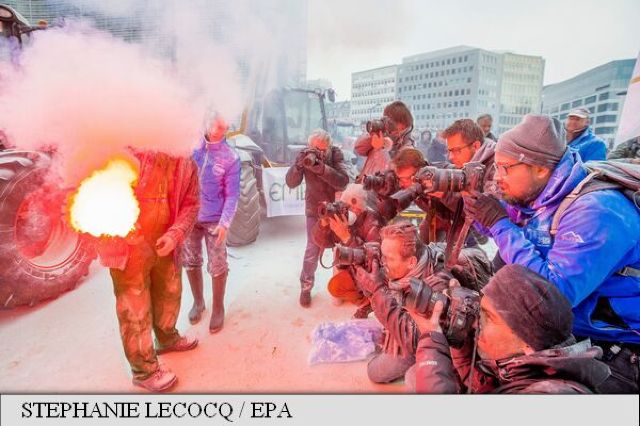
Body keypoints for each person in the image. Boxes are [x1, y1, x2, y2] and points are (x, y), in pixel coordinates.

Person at [463, 114, 640, 393]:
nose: (498, 178)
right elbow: (501, 224)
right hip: (574, 331)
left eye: (506, 168)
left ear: (541, 169)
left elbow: (551, 297)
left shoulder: (596, 212)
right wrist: (471, 209)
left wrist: (499, 224)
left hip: (619, 352)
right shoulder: (543, 197)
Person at [409, 265, 611, 393]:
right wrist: (458, 340)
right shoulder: (517, 366)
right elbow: (480, 389)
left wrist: (431, 349)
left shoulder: (551, 394)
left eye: (488, 317)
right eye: (480, 309)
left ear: (527, 343)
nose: (475, 322)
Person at [97, 149, 200, 392]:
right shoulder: (120, 147)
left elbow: (191, 203)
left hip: (166, 240)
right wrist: (132, 237)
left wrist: (175, 235)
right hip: (126, 246)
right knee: (135, 310)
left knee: (170, 292)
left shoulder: (185, 160)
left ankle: (166, 338)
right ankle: (144, 371)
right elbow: (102, 198)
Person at [353, 222, 492, 384]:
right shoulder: (407, 268)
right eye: (382, 256)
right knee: (377, 368)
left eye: (388, 258)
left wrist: (377, 290)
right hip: (414, 327)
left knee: (405, 377)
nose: (382, 262)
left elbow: (413, 338)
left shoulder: (438, 284)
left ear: (411, 262)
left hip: (443, 343)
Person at [182, 114, 240, 333]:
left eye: (224, 124)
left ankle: (218, 308)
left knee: (218, 264)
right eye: (217, 122)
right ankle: (198, 302)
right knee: (190, 259)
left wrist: (225, 223)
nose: (220, 128)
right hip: (189, 216)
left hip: (215, 220)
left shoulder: (230, 157)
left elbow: (232, 195)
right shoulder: (191, 146)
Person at [286, 129, 349, 307]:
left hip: (336, 209)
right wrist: (299, 166)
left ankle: (342, 287)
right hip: (314, 210)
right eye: (314, 148)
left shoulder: (336, 154)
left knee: (341, 248)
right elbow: (291, 182)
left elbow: (343, 181)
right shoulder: (305, 155)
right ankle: (305, 288)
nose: (316, 153)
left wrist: (322, 169)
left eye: (321, 150)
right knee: (312, 248)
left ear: (328, 147)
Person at [312, 183, 384, 318]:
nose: (348, 211)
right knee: (335, 289)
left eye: (351, 208)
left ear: (360, 208)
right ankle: (362, 298)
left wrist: (346, 236)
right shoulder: (343, 217)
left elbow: (374, 260)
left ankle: (369, 303)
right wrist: (323, 225)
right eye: (344, 206)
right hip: (350, 265)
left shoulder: (372, 221)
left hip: (373, 272)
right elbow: (322, 242)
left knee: (342, 286)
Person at [354, 101, 415, 178]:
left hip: (378, 187)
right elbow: (359, 149)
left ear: (403, 125)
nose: (387, 124)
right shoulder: (382, 137)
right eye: (386, 119)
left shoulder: (408, 150)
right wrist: (373, 134)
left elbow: (394, 175)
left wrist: (383, 150)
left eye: (392, 121)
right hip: (365, 185)